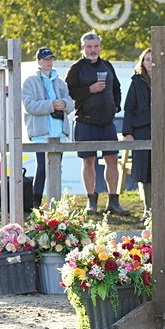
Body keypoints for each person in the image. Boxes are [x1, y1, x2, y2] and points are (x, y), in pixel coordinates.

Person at [65, 31, 129, 216]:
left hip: (107, 123)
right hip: (85, 122)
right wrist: (89, 90)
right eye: (89, 47)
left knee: (112, 160)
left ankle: (113, 201)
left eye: (95, 46)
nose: (93, 50)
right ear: (82, 48)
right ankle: (91, 202)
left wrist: (116, 106)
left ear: (100, 47)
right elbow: (69, 93)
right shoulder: (76, 68)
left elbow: (116, 88)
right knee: (89, 161)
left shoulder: (107, 65)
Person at [121, 48, 165, 216]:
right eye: (147, 59)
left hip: (164, 131)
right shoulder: (137, 82)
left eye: (153, 59)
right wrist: (128, 133)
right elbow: (129, 109)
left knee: (163, 169)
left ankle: (162, 210)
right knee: (145, 172)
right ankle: (148, 211)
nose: (150, 62)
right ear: (142, 62)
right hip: (142, 131)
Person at [21, 47, 74, 211]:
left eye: (51, 59)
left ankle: (56, 202)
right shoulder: (30, 81)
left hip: (58, 132)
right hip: (41, 134)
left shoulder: (60, 82)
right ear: (39, 61)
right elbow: (29, 105)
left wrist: (63, 104)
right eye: (45, 59)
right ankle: (36, 200)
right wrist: (52, 105)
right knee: (42, 167)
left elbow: (71, 103)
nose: (48, 62)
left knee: (56, 168)